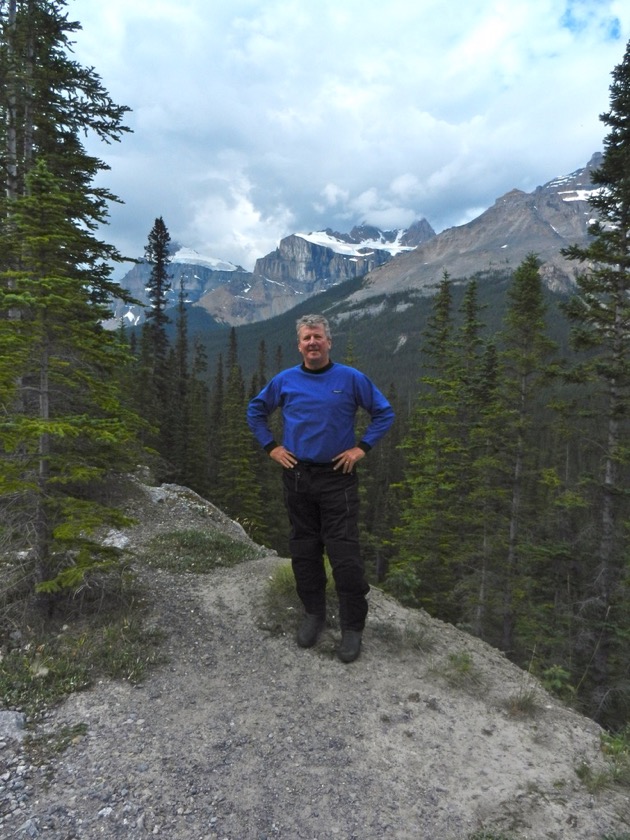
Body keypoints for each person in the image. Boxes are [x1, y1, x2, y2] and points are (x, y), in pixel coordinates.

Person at [246, 314, 394, 663]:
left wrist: (362, 448)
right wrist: (272, 447)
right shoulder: (285, 381)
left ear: (329, 342)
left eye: (318, 337)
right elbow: (255, 411)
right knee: (304, 549)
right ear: (299, 345)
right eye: (306, 338)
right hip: (297, 475)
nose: (312, 343)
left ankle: (352, 627)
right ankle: (313, 613)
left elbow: (384, 413)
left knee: (344, 555)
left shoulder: (351, 379)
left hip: (337, 477)